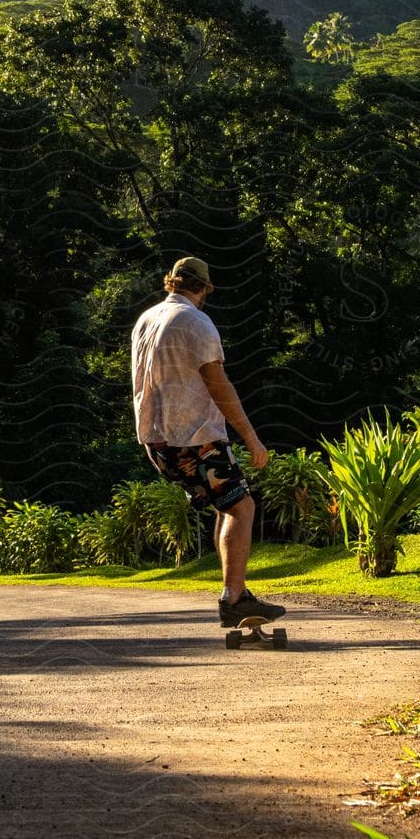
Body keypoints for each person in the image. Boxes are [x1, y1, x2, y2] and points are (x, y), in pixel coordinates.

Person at [131, 255, 286, 630]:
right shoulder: (196, 322)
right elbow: (219, 385)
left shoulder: (146, 320)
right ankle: (234, 598)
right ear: (204, 288)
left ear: (171, 282)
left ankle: (235, 592)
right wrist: (252, 439)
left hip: (157, 442)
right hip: (196, 440)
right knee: (243, 507)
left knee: (226, 504)